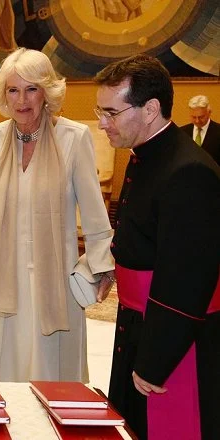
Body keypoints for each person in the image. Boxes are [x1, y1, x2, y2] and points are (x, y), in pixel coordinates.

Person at [0, 47, 115, 383]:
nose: (22, 100)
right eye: (13, 90)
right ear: (3, 94)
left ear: (47, 92)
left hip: (53, 275)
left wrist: (102, 267)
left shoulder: (73, 138)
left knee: (45, 369)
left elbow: (94, 213)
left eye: (31, 89)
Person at [94, 54, 219, 440]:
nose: (102, 123)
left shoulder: (188, 171)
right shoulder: (147, 155)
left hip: (174, 340)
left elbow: (185, 281)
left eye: (111, 112)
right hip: (138, 322)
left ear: (150, 109)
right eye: (99, 111)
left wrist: (154, 362)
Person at [180, 95, 220, 165]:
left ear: (209, 113)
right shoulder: (182, 132)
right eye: (194, 117)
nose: (197, 121)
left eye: (201, 117)